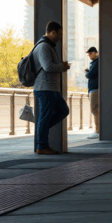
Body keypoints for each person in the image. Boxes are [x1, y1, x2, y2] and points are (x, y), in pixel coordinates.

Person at [32, 21, 70, 154]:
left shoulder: (49, 46)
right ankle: (42, 145)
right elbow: (47, 67)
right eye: (59, 34)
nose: (60, 37)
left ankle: (42, 130)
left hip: (51, 88)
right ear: (52, 32)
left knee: (63, 110)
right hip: (45, 88)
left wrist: (60, 66)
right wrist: (62, 67)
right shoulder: (43, 47)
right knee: (45, 116)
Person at [84, 47, 99, 139]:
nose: (89, 56)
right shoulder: (95, 63)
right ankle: (98, 130)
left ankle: (97, 131)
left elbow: (91, 75)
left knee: (95, 110)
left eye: (90, 54)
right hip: (94, 89)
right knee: (96, 110)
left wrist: (86, 72)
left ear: (95, 53)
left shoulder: (96, 62)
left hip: (95, 89)